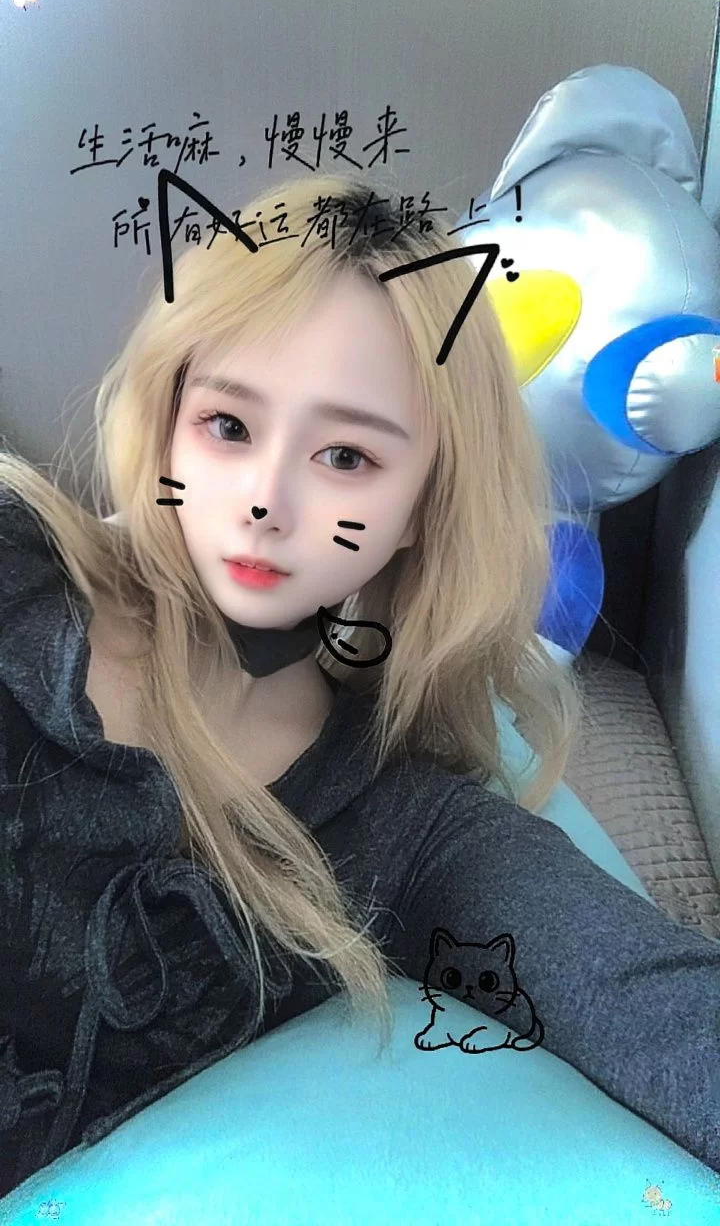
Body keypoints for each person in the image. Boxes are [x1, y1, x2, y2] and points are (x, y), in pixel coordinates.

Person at [0, 171, 718, 1196]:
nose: (265, 499)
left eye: (344, 455)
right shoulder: (17, 563)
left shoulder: (405, 823)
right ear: (167, 421)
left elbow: (651, 1001)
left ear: (426, 501)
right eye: (228, 426)